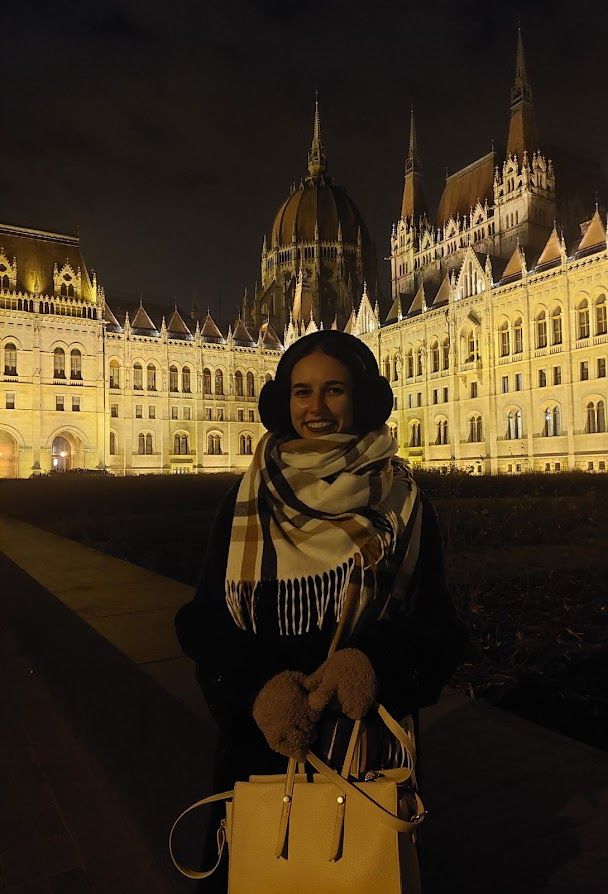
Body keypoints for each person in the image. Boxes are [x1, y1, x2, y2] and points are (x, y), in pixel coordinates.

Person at [174, 329, 467, 887]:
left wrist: (370, 664)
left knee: (363, 872)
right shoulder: (245, 501)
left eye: (334, 390)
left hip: (363, 746)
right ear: (284, 402)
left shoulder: (404, 502)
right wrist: (256, 687)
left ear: (360, 398)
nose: (316, 408)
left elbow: (440, 629)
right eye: (302, 392)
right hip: (259, 743)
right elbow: (203, 620)